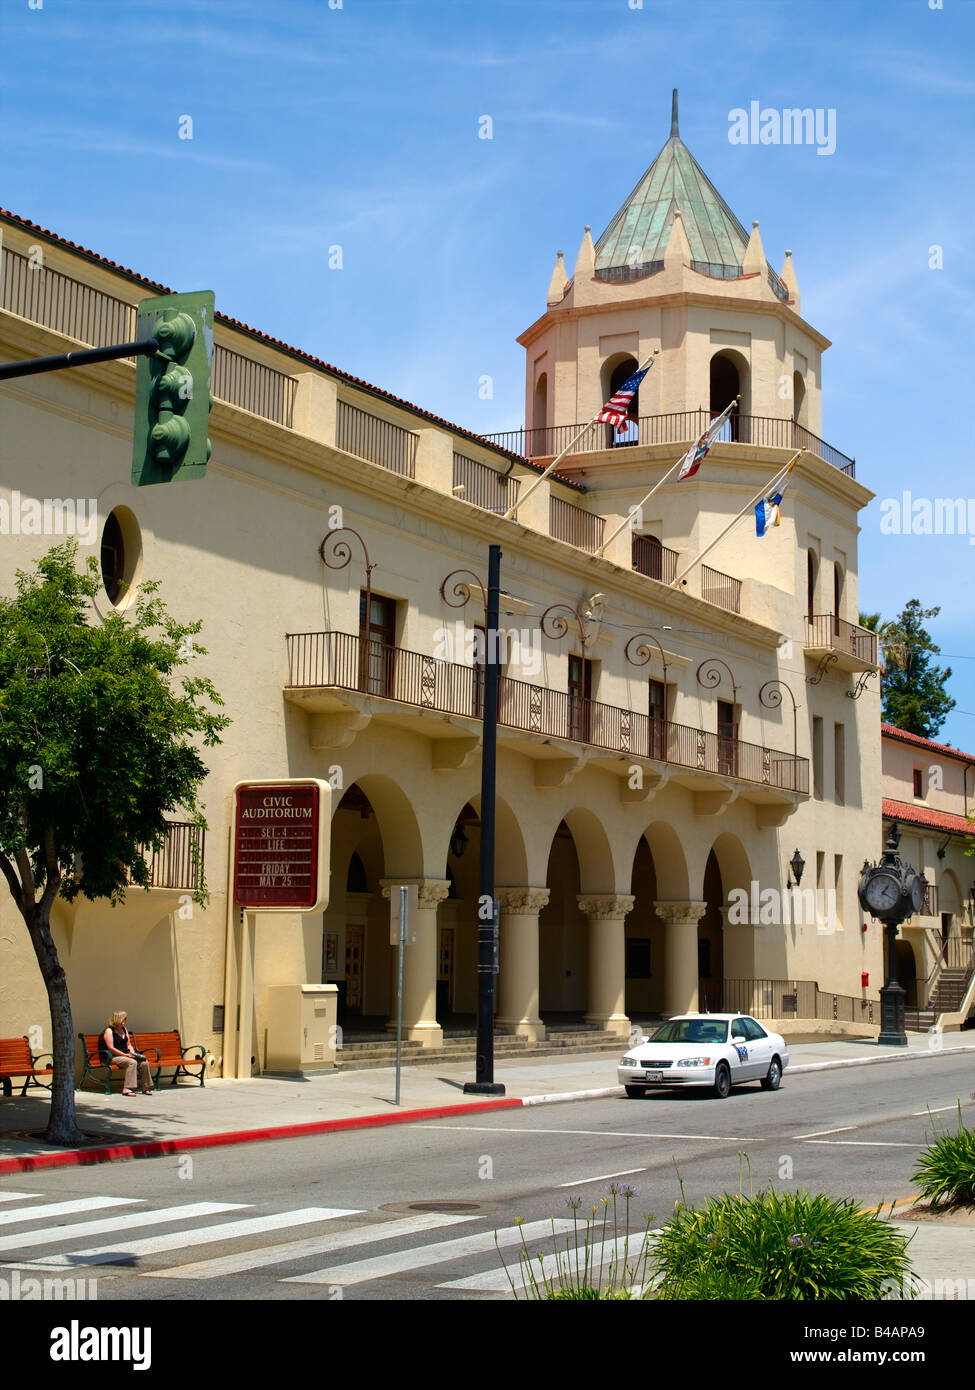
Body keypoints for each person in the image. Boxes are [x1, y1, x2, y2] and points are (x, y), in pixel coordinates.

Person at [99, 1011, 153, 1095]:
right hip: (111, 1057)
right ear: (118, 1020)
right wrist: (125, 1055)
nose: (125, 1021)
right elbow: (111, 1048)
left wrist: (133, 1053)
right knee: (132, 1062)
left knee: (144, 1063)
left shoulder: (124, 1029)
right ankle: (127, 1088)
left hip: (125, 1055)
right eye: (123, 1019)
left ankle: (145, 1087)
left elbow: (129, 1044)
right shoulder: (109, 1031)